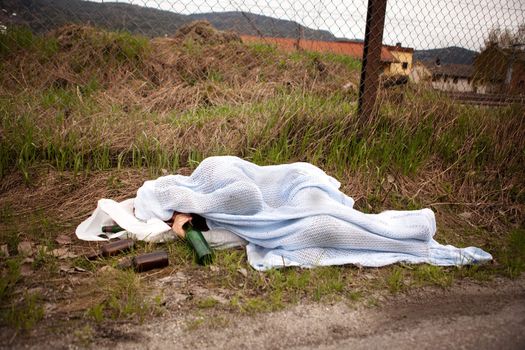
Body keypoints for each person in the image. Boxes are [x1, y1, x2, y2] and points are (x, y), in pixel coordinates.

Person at [133, 156, 492, 270]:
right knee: (321, 231)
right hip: (283, 214)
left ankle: (411, 231)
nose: (172, 220)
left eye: (170, 213)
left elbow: (248, 195)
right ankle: (420, 245)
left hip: (294, 186)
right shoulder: (198, 220)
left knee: (330, 220)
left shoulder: (211, 171)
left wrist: (196, 209)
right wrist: (184, 227)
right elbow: (240, 221)